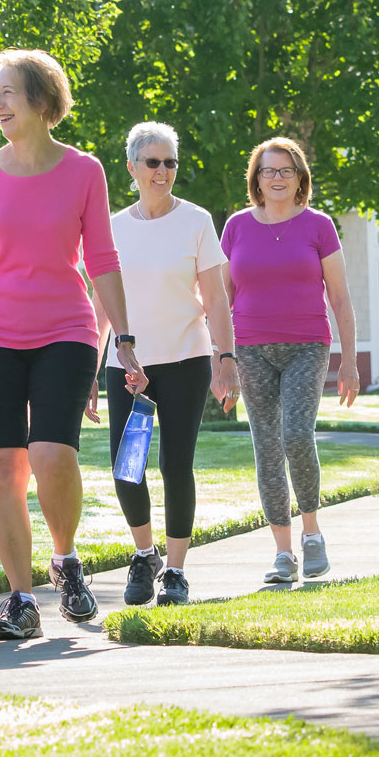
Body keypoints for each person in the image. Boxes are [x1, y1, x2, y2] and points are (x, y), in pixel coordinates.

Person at [0, 49, 146, 640]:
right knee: (2, 465)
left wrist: (123, 339)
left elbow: (102, 260)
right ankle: (20, 598)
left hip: (65, 330)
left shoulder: (84, 171)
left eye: (7, 92)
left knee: (51, 455)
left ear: (42, 102)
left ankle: (66, 560)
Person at [89, 122, 238, 608]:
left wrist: (226, 358)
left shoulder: (195, 221)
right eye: (152, 162)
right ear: (131, 167)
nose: (162, 171)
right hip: (126, 366)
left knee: (176, 465)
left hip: (186, 359)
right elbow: (98, 306)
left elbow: (215, 299)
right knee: (127, 468)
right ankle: (144, 553)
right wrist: (89, 369)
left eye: (170, 162)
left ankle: (174, 571)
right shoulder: (111, 228)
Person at [220, 136, 358, 585]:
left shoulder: (319, 225)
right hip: (251, 348)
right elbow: (222, 298)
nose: (276, 178)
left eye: (285, 170)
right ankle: (283, 552)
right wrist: (221, 359)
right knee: (266, 447)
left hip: (307, 345)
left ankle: (312, 533)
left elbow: (339, 297)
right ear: (255, 179)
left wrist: (349, 361)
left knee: (297, 435)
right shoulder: (237, 226)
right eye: (267, 171)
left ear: (300, 177)